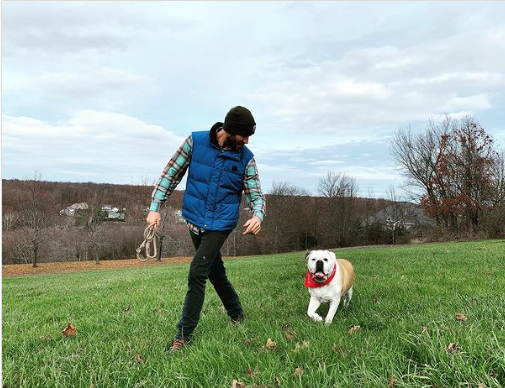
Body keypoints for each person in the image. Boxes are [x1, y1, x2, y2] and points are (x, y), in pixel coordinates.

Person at [146, 106, 266, 352]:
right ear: (230, 129)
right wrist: (155, 207)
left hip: (220, 224)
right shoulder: (195, 141)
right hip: (194, 219)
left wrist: (258, 215)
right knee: (215, 272)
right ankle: (237, 314)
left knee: (197, 273)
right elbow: (171, 173)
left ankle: (183, 336)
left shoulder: (246, 157)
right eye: (244, 135)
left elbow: (256, 192)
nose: (246, 140)